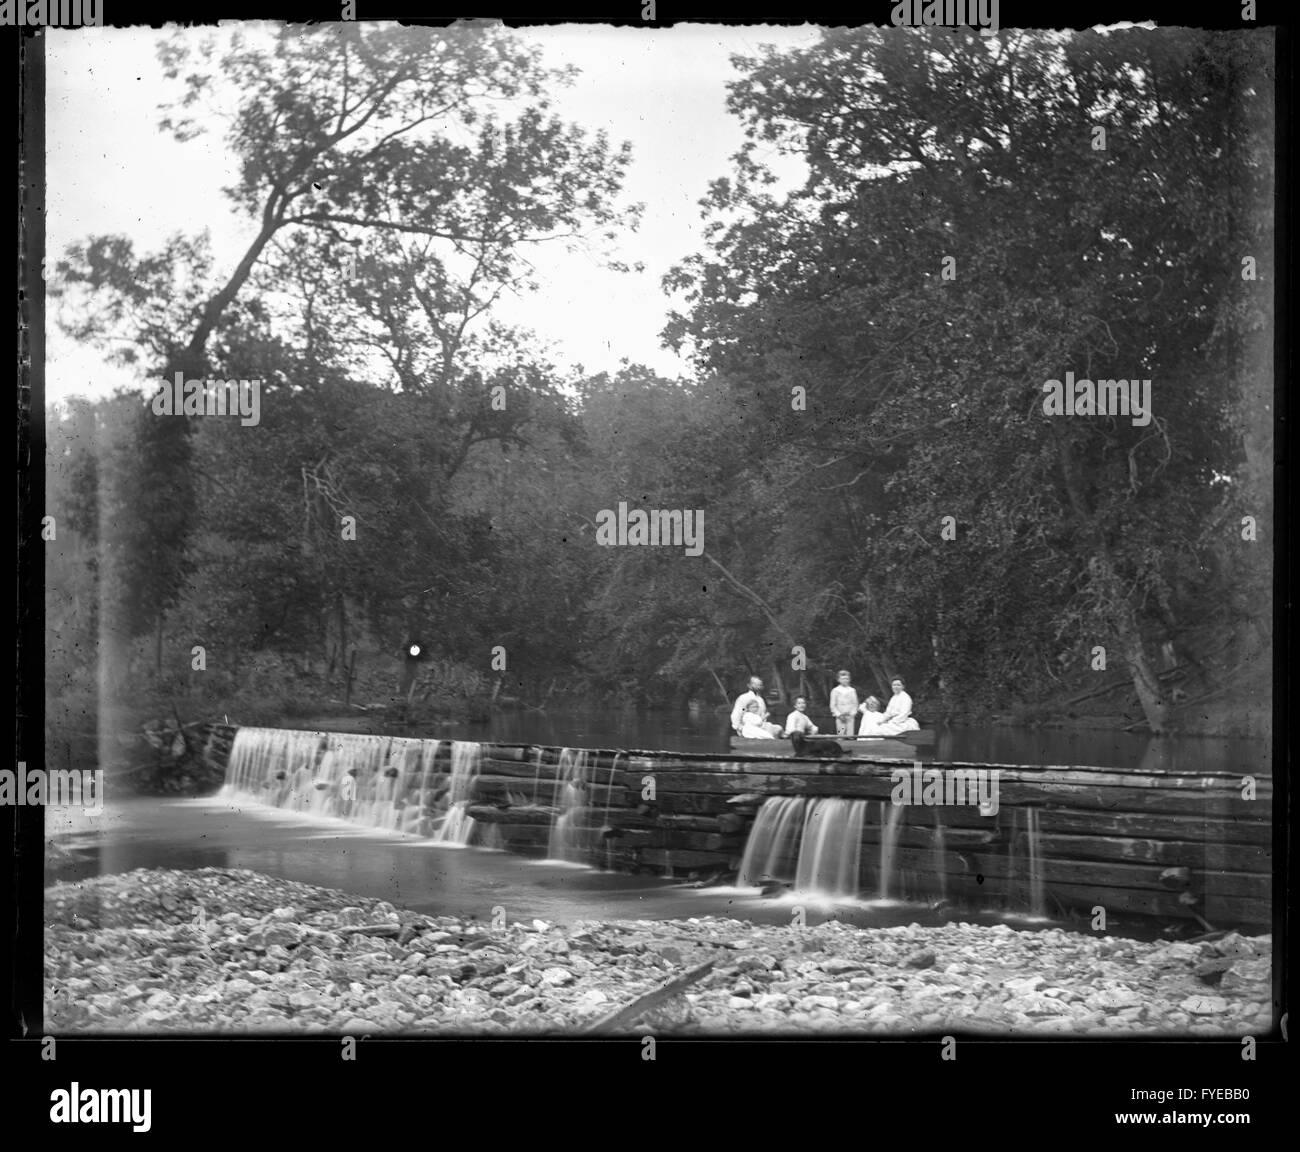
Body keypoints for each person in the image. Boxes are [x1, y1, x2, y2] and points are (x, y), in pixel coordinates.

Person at [829, 669, 859, 737]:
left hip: (850, 716)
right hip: (840, 716)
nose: (845, 680)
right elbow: (832, 705)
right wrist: (839, 715)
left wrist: (852, 713)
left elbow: (855, 704)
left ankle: (850, 745)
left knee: (850, 734)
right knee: (841, 734)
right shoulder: (835, 690)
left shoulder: (852, 690)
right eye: (842, 679)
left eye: (847, 679)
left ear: (849, 680)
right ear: (838, 680)